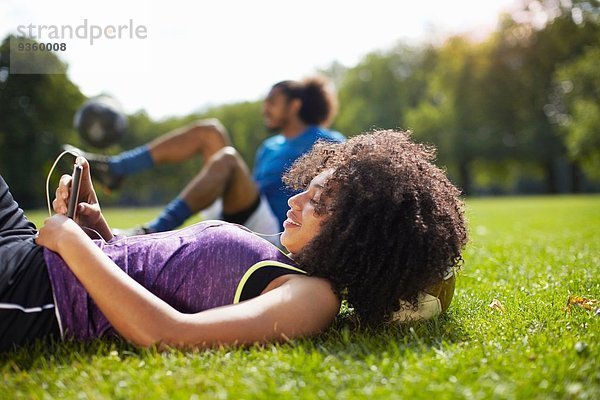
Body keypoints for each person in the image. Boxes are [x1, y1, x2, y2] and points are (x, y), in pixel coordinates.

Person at [0, 130, 468, 352]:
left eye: (319, 200)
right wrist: (97, 231)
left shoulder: (313, 296)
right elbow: (154, 274)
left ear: (361, 238)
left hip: (36, 292)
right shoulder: (287, 261)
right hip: (40, 252)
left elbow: (170, 336)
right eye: (309, 185)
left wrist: (70, 241)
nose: (297, 198)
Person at [65, 76, 345, 239]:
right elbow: (254, 190)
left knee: (227, 158)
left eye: (272, 102)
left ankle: (150, 231)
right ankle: (116, 168)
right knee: (210, 132)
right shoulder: (269, 147)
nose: (265, 109)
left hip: (278, 229)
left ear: (294, 105)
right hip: (245, 214)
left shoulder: (329, 142)